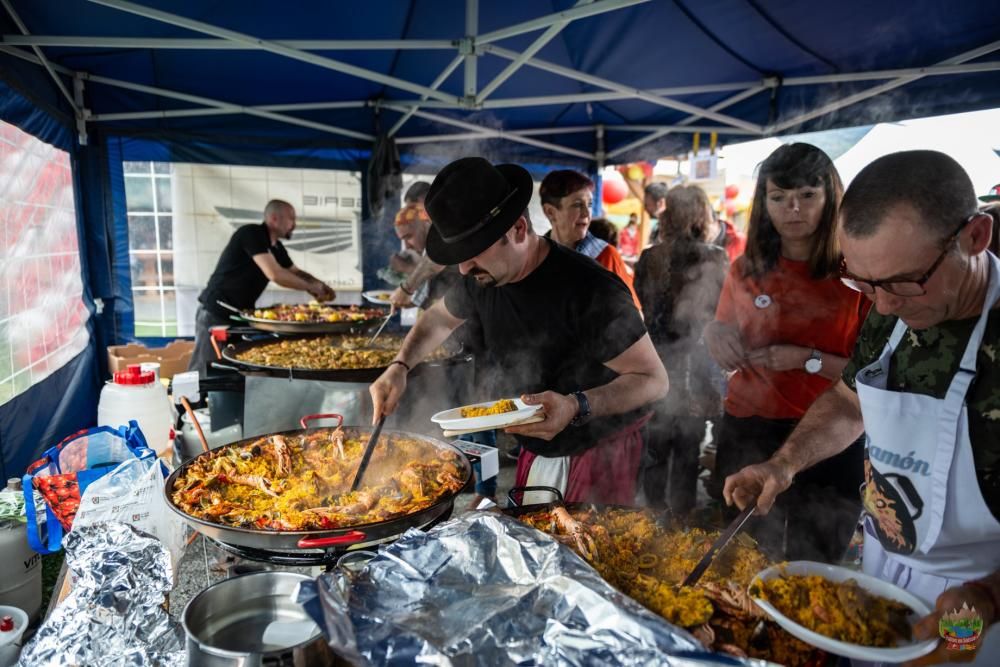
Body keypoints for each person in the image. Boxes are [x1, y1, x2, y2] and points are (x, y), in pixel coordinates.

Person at [723, 150, 1000, 662]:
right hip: (880, 582)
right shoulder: (889, 307)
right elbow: (850, 403)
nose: (885, 305)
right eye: (864, 284)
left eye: (901, 283)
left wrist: (986, 596)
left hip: (973, 609)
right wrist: (784, 465)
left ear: (975, 237)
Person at [369, 157, 668, 505]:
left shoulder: (591, 290)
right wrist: (400, 366)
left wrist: (576, 405)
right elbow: (438, 319)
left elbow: (654, 379)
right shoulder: (481, 278)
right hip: (538, 448)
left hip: (599, 451)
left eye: (474, 250)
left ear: (519, 230)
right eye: (459, 254)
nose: (464, 267)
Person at [703, 143, 869, 562]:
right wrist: (714, 335)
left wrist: (805, 358)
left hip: (830, 434)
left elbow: (872, 374)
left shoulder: (858, 274)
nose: (793, 209)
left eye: (807, 196)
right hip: (749, 426)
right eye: (779, 198)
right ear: (764, 203)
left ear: (831, 197)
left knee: (816, 556)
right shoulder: (746, 268)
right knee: (740, 551)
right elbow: (723, 328)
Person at [634, 185, 728, 515]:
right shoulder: (715, 257)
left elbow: (645, 306)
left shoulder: (648, 258)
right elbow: (722, 316)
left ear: (667, 216)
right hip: (697, 366)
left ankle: (654, 511)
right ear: (703, 216)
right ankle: (681, 517)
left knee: (655, 444)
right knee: (688, 448)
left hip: (656, 362)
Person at [188, 199, 335, 373]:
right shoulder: (251, 234)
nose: (294, 224)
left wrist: (318, 285)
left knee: (234, 370)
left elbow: (295, 272)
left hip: (238, 315)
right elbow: (275, 274)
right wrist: (310, 287)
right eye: (291, 219)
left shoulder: (277, 247)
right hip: (215, 313)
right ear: (274, 218)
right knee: (204, 370)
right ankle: (188, 401)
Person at [540, 170, 640, 307]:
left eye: (590, 204)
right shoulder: (536, 256)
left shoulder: (606, 256)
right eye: (577, 205)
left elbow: (635, 317)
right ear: (550, 212)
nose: (587, 213)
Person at [644, 181, 669, 246]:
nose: (645, 209)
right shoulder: (657, 226)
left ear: (660, 203)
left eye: (647, 205)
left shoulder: (673, 227)